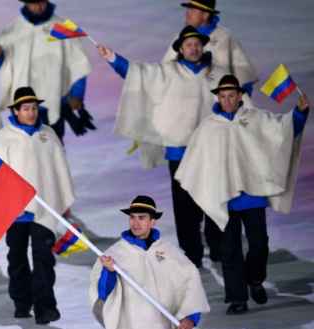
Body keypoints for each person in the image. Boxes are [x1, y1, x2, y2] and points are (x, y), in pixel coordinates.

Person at [175, 75, 309, 314]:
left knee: (259, 244)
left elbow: (282, 131)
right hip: (224, 199)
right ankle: (237, 298)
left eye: (231, 95)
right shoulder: (208, 127)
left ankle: (254, 279)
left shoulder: (255, 118)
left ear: (239, 96)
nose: (227, 100)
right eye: (223, 96)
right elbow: (195, 161)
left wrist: (299, 113)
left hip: (252, 195)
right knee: (230, 250)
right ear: (218, 98)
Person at [97, 26, 229, 268]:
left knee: (213, 200)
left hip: (211, 151)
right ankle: (192, 254)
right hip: (180, 151)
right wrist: (113, 58)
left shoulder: (217, 74)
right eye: (188, 45)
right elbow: (138, 74)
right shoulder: (168, 72)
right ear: (180, 49)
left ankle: (218, 248)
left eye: (197, 44)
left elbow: (236, 98)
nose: (193, 48)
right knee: (185, 207)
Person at [89, 196, 210, 329]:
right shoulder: (116, 253)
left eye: (142, 218)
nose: (136, 223)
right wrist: (109, 272)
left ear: (153, 221)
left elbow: (189, 282)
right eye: (132, 217)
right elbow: (103, 294)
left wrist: (191, 317)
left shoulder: (168, 252)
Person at [0, 86, 75, 324]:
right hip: (15, 211)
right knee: (17, 258)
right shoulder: (2, 140)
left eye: (34, 108)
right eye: (26, 108)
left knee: (43, 258)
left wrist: (62, 202)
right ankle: (22, 302)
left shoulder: (48, 135)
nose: (31, 112)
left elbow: (60, 169)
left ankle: (45, 307)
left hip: (45, 208)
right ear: (15, 111)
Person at [0, 0, 93, 141]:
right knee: (24, 144)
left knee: (53, 144)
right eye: (34, 3)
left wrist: (77, 94)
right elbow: (0, 64)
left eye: (41, 2)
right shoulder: (13, 30)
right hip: (23, 100)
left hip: (54, 99)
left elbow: (78, 63)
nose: (39, 6)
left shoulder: (62, 28)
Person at [162, 0, 258, 94]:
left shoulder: (224, 37)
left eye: (193, 10)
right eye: (188, 9)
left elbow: (244, 77)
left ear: (205, 15)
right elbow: (164, 72)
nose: (187, 13)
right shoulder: (180, 38)